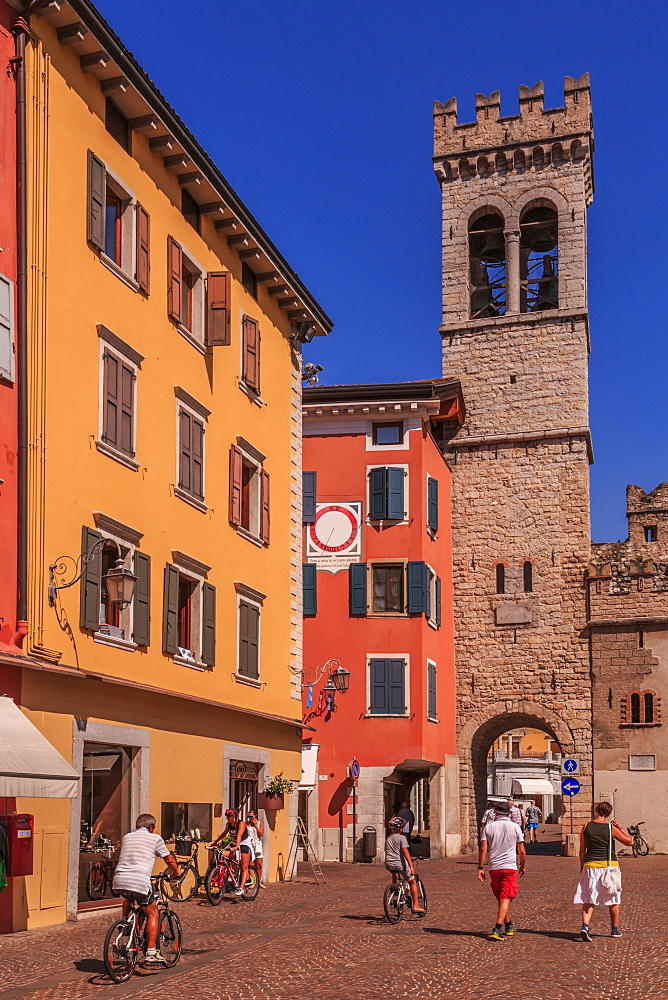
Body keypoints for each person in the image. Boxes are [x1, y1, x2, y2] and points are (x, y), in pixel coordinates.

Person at [112, 814, 179, 964]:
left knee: (129, 896)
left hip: (119, 879)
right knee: (153, 914)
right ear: (151, 827)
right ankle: (150, 952)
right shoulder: (155, 839)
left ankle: (124, 922)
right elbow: (169, 859)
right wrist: (176, 873)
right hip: (139, 880)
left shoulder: (127, 837)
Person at [574, 801, 634, 941]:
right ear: (608, 813)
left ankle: (585, 926)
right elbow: (629, 842)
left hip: (590, 865)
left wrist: (582, 865)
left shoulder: (587, 826)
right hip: (609, 866)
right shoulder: (610, 827)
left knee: (589, 897)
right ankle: (614, 929)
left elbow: (582, 850)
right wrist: (621, 828)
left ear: (596, 810)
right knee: (613, 897)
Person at [478, 801, 526, 941]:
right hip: (510, 866)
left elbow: (483, 849)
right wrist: (522, 865)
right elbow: (521, 850)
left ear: (496, 813)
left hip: (494, 866)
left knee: (501, 897)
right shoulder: (515, 827)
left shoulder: (488, 827)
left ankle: (508, 925)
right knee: (504, 897)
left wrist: (480, 867)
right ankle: (497, 928)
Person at [384, 816, 425, 914]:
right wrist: (411, 866)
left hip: (389, 864)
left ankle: (394, 888)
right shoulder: (402, 838)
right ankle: (415, 906)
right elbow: (405, 852)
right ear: (401, 828)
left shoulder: (388, 838)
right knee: (412, 881)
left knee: (394, 871)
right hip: (400, 864)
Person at [211, 808, 253, 896]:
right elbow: (224, 833)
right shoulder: (229, 824)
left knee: (244, 867)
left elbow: (239, 835)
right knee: (222, 854)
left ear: (234, 816)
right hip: (235, 844)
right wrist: (215, 842)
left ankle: (241, 888)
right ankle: (230, 872)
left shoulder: (241, 824)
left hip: (244, 844)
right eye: (226, 816)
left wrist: (237, 846)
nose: (227, 818)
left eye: (229, 816)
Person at [246, 811, 265, 887]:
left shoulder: (260, 823)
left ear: (255, 816)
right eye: (248, 817)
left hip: (257, 844)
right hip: (250, 845)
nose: (250, 818)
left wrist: (256, 826)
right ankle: (253, 882)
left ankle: (259, 882)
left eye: (251, 816)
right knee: (251, 864)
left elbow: (261, 833)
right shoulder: (246, 824)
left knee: (259, 865)